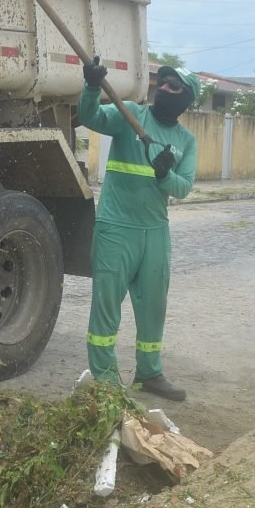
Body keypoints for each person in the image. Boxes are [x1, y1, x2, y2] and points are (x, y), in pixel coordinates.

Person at [79, 58, 199, 401]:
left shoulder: (186, 141)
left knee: (153, 309)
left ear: (187, 99)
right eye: (163, 82)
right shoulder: (129, 114)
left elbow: (183, 187)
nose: (165, 88)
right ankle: (106, 381)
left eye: (174, 86)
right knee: (106, 306)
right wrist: (91, 86)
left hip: (155, 232)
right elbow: (90, 117)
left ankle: (149, 373)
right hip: (116, 227)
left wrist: (164, 175)